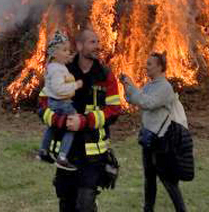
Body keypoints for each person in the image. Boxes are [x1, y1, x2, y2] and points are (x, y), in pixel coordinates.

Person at [39, 28, 122, 212]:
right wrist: (60, 121)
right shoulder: (62, 70)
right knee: (66, 202)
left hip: (93, 153)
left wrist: (85, 121)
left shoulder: (105, 75)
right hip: (66, 152)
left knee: (85, 203)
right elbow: (43, 104)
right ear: (79, 45)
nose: (98, 46)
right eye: (93, 42)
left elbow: (114, 110)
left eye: (98, 42)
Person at [121, 52, 188, 212]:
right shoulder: (150, 85)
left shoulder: (165, 87)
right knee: (149, 179)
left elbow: (147, 102)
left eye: (150, 64)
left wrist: (132, 87)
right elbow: (134, 99)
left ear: (159, 67)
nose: (146, 66)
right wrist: (126, 86)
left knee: (168, 181)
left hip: (163, 141)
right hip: (149, 139)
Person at [39, 31, 84, 170]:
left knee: (52, 127)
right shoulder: (57, 70)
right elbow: (59, 89)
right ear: (54, 53)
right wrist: (75, 85)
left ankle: (44, 151)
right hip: (62, 104)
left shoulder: (54, 66)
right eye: (64, 50)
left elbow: (65, 63)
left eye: (68, 50)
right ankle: (62, 157)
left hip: (53, 103)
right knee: (72, 126)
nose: (67, 53)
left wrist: (72, 57)